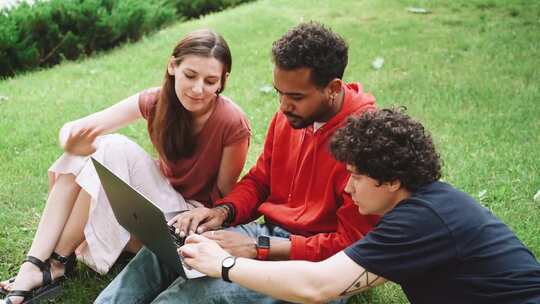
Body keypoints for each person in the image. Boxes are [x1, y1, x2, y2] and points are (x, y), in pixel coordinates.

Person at [94, 21, 380, 303]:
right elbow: (261, 180)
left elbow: (353, 246)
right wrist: (221, 213)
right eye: (279, 93)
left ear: (332, 88)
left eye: (295, 97)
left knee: (186, 298)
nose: (282, 107)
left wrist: (259, 249)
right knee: (168, 245)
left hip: (316, 268)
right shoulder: (294, 115)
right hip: (267, 235)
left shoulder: (366, 141)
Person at [181, 108, 540, 304]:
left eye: (355, 176)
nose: (348, 187)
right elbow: (335, 275)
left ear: (392, 181)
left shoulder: (420, 220)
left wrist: (225, 265)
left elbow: (317, 286)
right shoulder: (420, 209)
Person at [0, 29, 251, 304]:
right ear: (172, 66)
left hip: (187, 226)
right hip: (152, 210)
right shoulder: (157, 100)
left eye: (210, 80)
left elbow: (227, 198)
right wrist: (72, 144)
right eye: (190, 75)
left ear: (223, 82)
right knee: (94, 149)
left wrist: (214, 214)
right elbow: (77, 128)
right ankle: (34, 263)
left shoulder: (231, 122)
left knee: (111, 147)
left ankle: (56, 264)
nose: (198, 88)